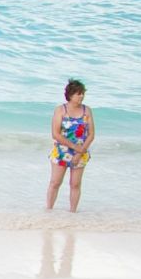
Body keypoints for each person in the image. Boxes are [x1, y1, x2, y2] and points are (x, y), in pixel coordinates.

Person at [45, 78, 96, 213]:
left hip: (81, 152)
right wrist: (75, 148)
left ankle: (73, 213)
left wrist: (80, 152)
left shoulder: (87, 111)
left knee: (75, 184)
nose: (81, 96)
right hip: (62, 151)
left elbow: (91, 134)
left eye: (82, 93)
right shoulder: (60, 110)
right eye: (78, 93)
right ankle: (48, 211)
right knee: (55, 183)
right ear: (70, 95)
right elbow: (55, 134)